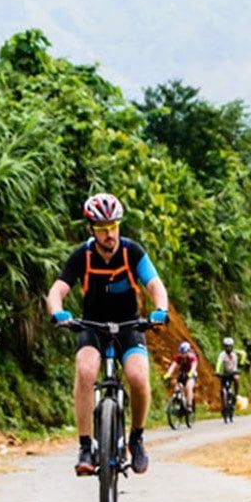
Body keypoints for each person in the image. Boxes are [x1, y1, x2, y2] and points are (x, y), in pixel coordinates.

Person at [46, 192, 171, 477]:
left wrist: (160, 309)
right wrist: (58, 312)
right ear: (91, 230)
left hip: (129, 327)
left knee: (139, 378)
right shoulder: (82, 256)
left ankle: (136, 439)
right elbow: (58, 290)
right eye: (102, 229)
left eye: (114, 227)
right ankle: (85, 446)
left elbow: (155, 285)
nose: (109, 234)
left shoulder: (132, 252)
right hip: (93, 328)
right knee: (86, 371)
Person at [167, 342, 198, 412]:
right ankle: (178, 404)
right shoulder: (179, 357)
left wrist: (191, 373)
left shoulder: (192, 357)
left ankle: (189, 405)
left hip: (191, 374)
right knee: (177, 388)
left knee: (188, 387)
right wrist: (168, 374)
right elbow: (173, 365)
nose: (182, 354)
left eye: (184, 353)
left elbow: (194, 366)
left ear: (188, 351)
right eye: (181, 353)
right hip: (183, 374)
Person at [217, 337, 242, 414]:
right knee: (222, 389)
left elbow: (235, 365)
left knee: (236, 379)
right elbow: (219, 363)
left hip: (233, 371)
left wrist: (235, 372)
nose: (228, 348)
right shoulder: (222, 354)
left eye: (229, 346)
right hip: (225, 372)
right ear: (224, 347)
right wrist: (217, 371)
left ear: (232, 346)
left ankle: (236, 394)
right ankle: (223, 405)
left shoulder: (234, 355)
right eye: (226, 346)